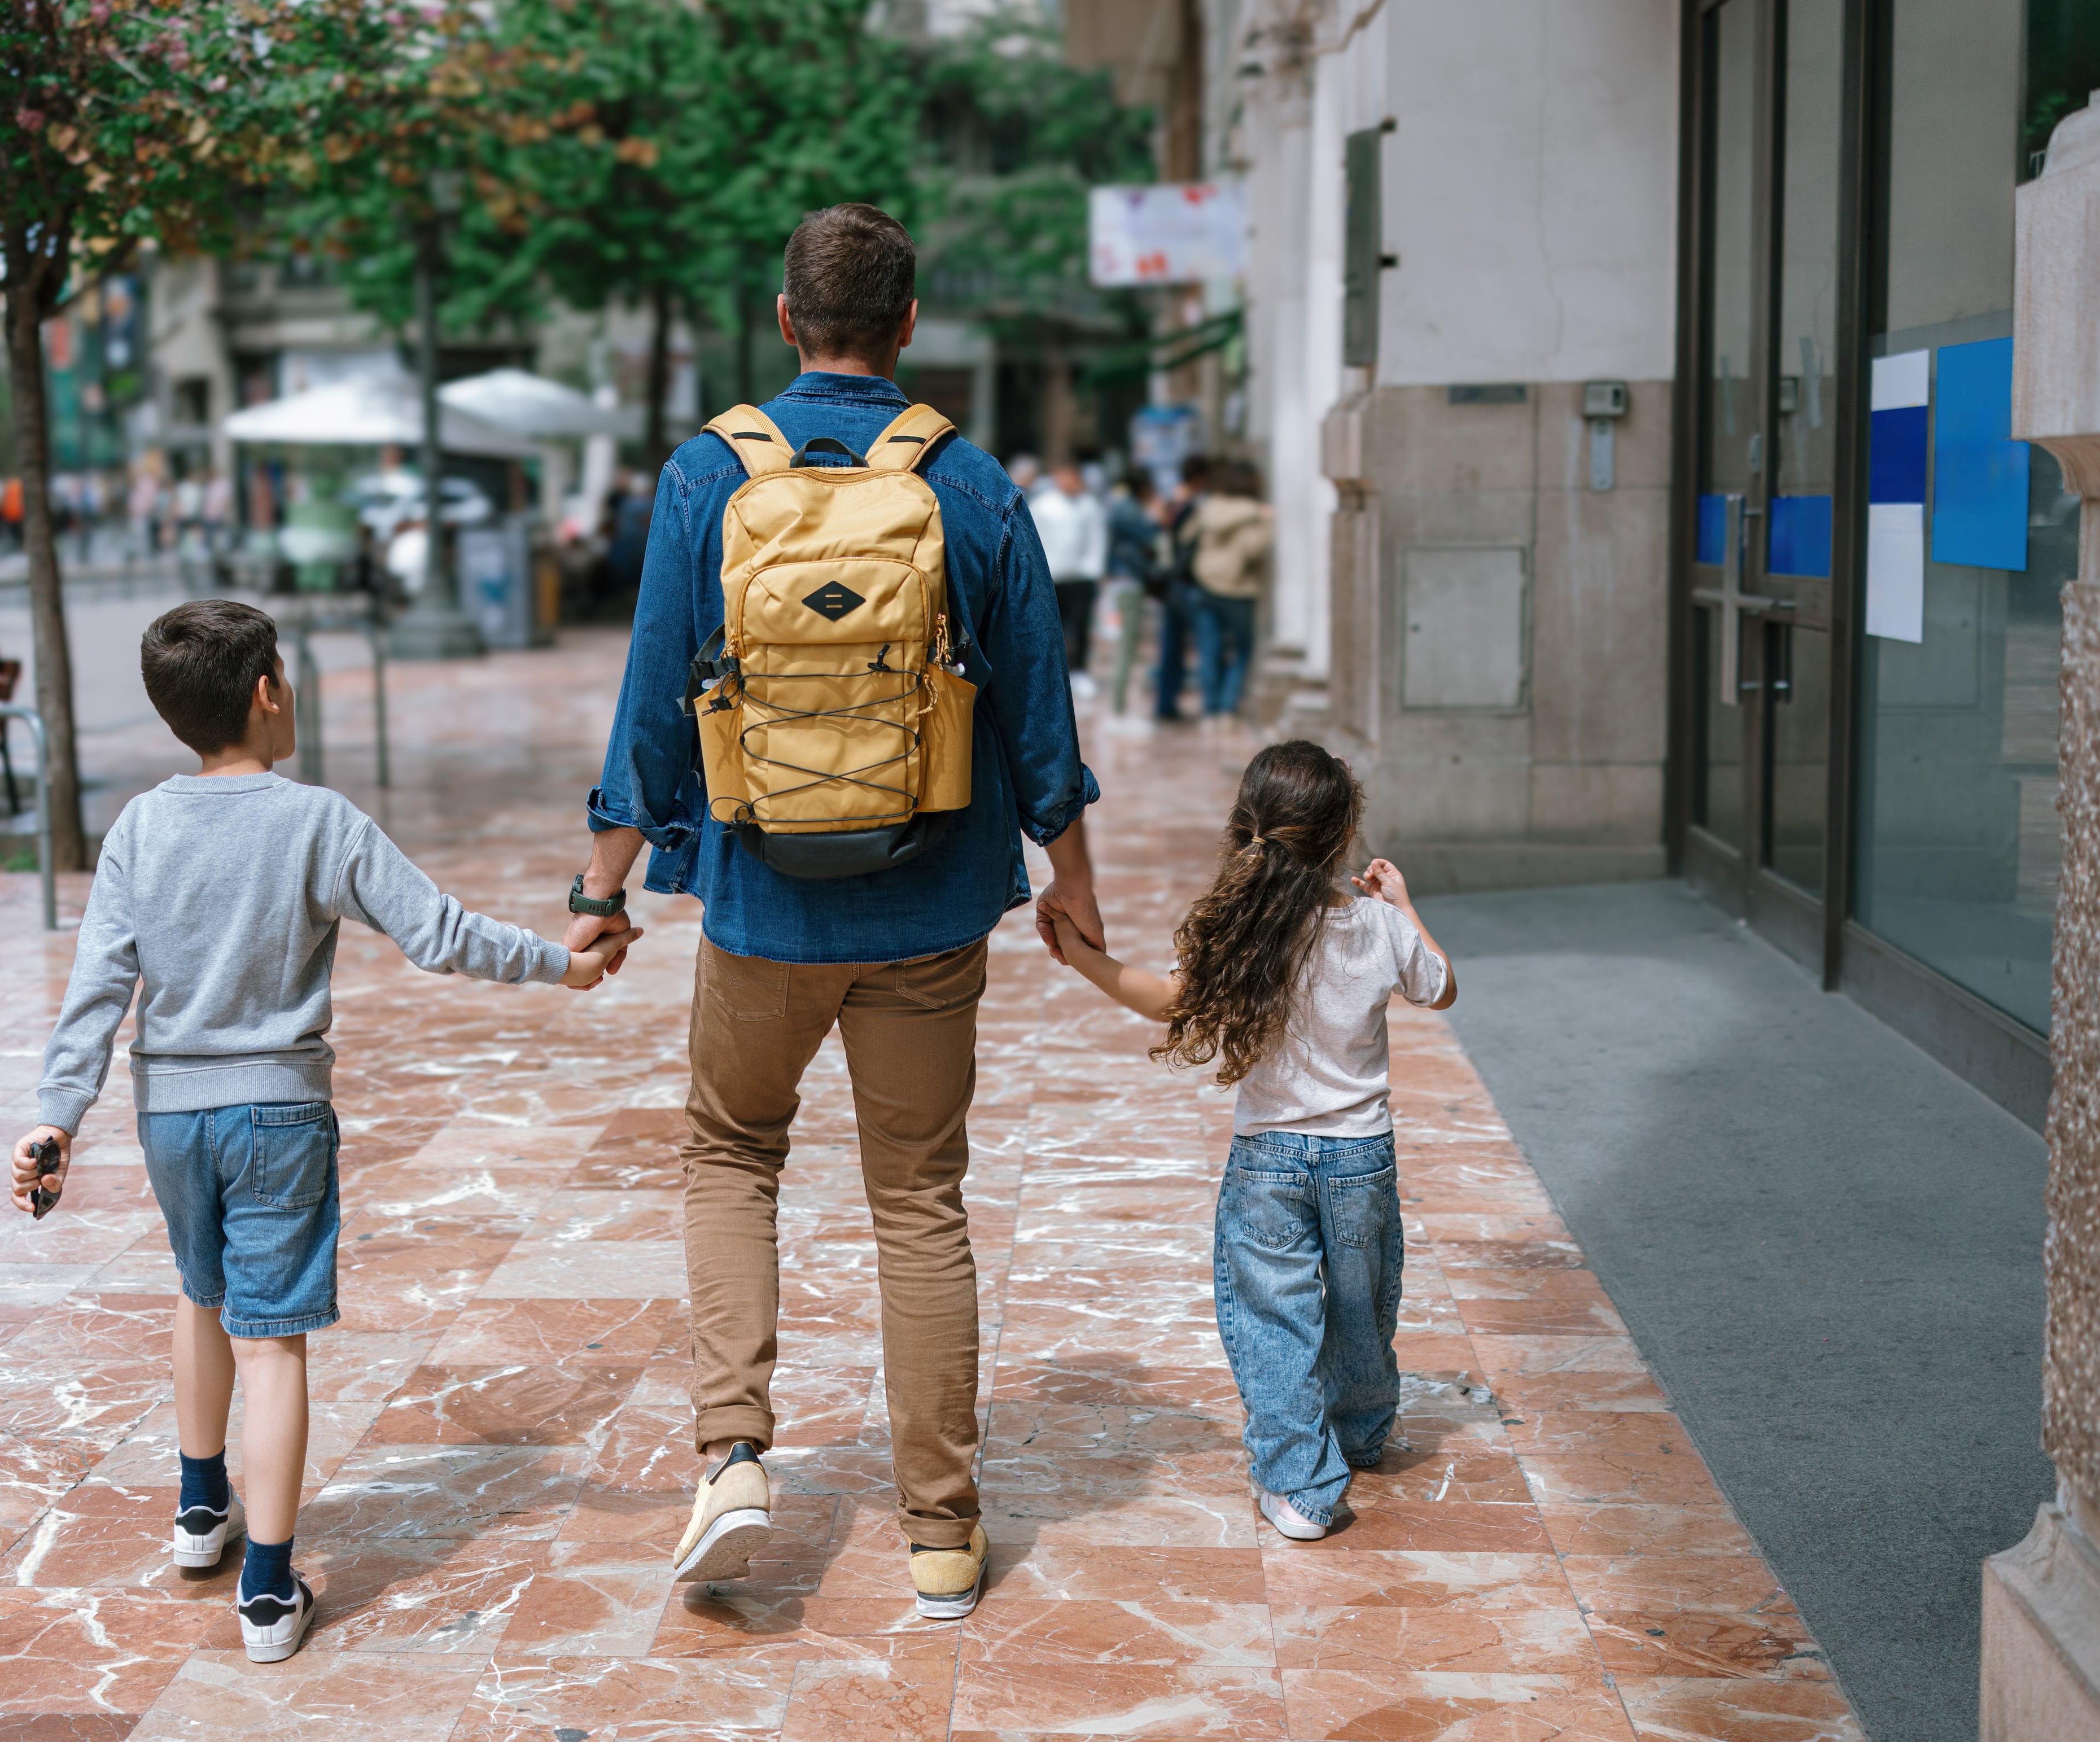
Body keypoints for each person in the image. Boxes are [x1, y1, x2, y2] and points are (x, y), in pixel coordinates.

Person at [573, 202, 1099, 1622]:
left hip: (758, 904)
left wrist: (601, 890)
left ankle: (733, 1455)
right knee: (920, 1201)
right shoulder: (971, 483)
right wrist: (1077, 895)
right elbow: (1041, 721)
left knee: (733, 1154)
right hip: (931, 906)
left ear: (787, 316)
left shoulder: (706, 475)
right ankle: (940, 1531)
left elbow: (653, 712)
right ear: (910, 325)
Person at [10, 599, 637, 1663]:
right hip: (279, 1118)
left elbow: (97, 987)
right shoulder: (317, 821)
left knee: (199, 1294)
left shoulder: (140, 829)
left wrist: (54, 1116)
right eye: (287, 676)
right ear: (266, 692)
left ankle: (199, 1509)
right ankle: (266, 1591)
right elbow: (436, 932)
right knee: (275, 1343)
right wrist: (563, 963)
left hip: (169, 1117)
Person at [1038, 739, 1455, 1539]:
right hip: (1361, 1155)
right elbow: (1441, 983)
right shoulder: (1375, 925)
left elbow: (1166, 1000)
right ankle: (1361, 1432)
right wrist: (1403, 903)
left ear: (1247, 830)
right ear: (1343, 836)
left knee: (1276, 1316)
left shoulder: (1245, 928)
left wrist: (1084, 956)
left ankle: (1301, 1483)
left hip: (1268, 1159)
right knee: (1362, 1304)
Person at [1186, 460, 1270, 721]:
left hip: (1205, 585)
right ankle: (1226, 709)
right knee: (1243, 651)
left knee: (1209, 650)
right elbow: (1254, 550)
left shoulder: (1209, 508)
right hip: (1239, 590)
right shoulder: (1258, 513)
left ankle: (1209, 710)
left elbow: (1185, 538)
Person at [1029, 458, 1108, 696]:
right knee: (1051, 627)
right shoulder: (1043, 505)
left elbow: (1098, 539)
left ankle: (1079, 670)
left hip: (1081, 576)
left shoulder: (1088, 505)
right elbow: (1034, 541)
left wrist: (1095, 570)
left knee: (1081, 625)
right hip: (1052, 577)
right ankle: (1052, 674)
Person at [1152, 454, 1209, 721]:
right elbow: (1185, 547)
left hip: (1170, 582)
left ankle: (1165, 703)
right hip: (1184, 583)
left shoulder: (1170, 501)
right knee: (1201, 644)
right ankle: (1199, 707)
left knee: (1171, 646)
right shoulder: (1192, 505)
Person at [1103, 468, 1163, 716]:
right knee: (1126, 648)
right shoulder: (1129, 511)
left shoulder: (1124, 507)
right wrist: (1156, 516)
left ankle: (1119, 706)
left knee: (1128, 647)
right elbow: (1151, 537)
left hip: (1125, 581)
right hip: (1129, 583)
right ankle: (1118, 708)